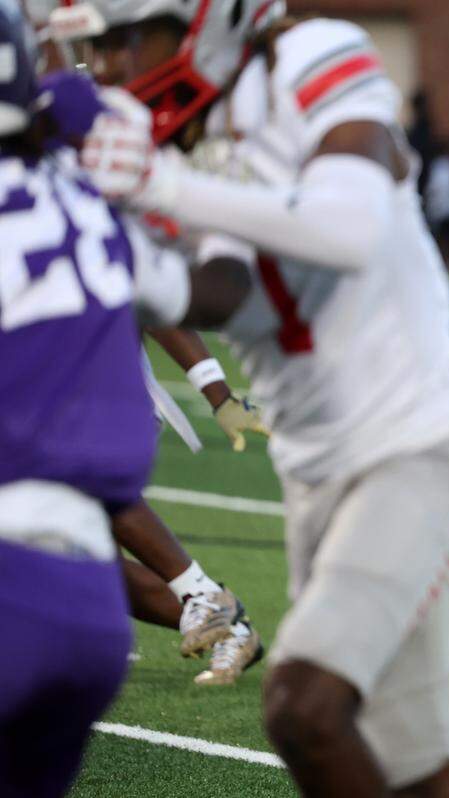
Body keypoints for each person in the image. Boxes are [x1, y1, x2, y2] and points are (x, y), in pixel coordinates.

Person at [65, 1, 449, 794]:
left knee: (304, 707)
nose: (108, 68)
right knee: (432, 779)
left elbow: (347, 228)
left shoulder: (311, 57)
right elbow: (223, 287)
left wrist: (164, 187)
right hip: (315, 470)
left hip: (416, 441)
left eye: (123, 39)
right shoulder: (190, 134)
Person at [0, 4, 246, 791]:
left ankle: (205, 601)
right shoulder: (83, 200)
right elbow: (207, 293)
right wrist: (228, 208)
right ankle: (203, 604)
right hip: (88, 615)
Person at [32, 12, 267, 687]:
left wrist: (217, 390)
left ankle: (202, 595)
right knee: (66, 560)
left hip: (84, 385)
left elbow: (148, 291)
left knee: (63, 483)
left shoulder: (70, 178)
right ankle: (221, 618)